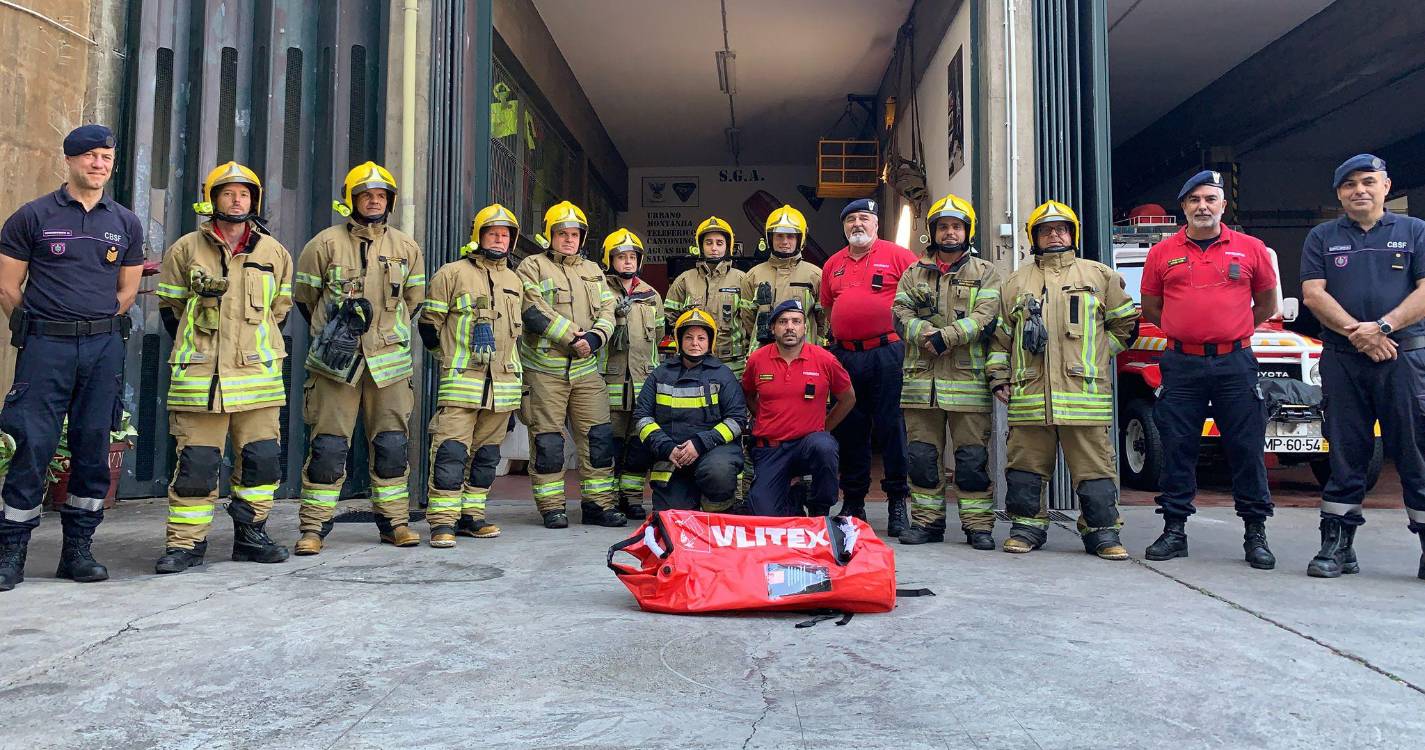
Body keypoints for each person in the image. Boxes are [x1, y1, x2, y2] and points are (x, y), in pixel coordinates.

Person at [0, 124, 144, 591]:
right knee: (31, 445)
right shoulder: (33, 216)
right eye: (90, 157)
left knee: (91, 447)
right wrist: (44, 325)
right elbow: (7, 286)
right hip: (46, 348)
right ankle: (11, 554)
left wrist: (94, 324)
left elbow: (127, 291)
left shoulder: (124, 222)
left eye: (106, 157)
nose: (98, 164)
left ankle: (78, 552)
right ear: (70, 160)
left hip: (102, 349)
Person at [152, 162, 294, 573]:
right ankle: (185, 546)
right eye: (228, 193)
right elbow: (171, 309)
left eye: (244, 194)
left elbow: (279, 311)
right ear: (212, 199)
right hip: (200, 380)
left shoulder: (274, 253)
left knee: (261, 461)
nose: (237, 200)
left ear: (255, 200)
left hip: (258, 378)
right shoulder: (185, 249)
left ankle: (251, 537)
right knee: (196, 465)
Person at [1140, 170, 1278, 569]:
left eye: (1210, 199)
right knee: (1178, 446)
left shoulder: (1251, 249)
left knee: (1245, 447)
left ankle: (1256, 533)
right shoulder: (1161, 253)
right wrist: (1189, 332)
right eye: (1194, 199)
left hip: (1236, 363)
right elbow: (1152, 308)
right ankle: (1174, 530)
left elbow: (1267, 304)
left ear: (1223, 205)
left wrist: (1233, 332)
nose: (1203, 206)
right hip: (1182, 364)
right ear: (1183, 207)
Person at [986, 200, 1139, 559]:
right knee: (1024, 467)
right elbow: (1000, 338)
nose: (1054, 235)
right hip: (1029, 396)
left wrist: (1100, 356)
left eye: (1061, 229)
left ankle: (1102, 533)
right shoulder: (1016, 283)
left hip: (1084, 397)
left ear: (1073, 234)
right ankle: (1027, 528)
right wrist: (998, 377)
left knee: (1095, 470)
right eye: (1045, 230)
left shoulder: (1099, 276)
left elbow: (1125, 326)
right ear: (1033, 237)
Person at [1300, 154, 1425, 580]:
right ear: (1339, 193)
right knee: (1346, 453)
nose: (1360, 190)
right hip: (1344, 360)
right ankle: (1338, 547)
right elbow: (1313, 294)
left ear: (1386, 187)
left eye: (1368, 181)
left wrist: (1384, 327)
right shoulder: (1322, 236)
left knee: (1415, 452)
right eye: (1350, 184)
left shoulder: (1415, 231)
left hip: (1404, 358)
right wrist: (1361, 333)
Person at [291, 162, 425, 554]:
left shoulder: (406, 247)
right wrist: (337, 336)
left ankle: (395, 523)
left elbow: (412, 304)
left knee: (391, 445)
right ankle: (313, 528)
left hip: (389, 366)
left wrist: (383, 334)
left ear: (390, 201)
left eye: (381, 195)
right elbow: (305, 301)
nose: (373, 201)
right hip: (336, 365)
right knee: (328, 447)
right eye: (366, 194)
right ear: (352, 199)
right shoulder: (323, 244)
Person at [892, 194, 1002, 547]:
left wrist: (948, 337)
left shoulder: (985, 272)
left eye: (956, 226)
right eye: (943, 226)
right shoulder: (913, 273)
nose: (950, 232)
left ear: (966, 231)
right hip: (920, 384)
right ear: (933, 231)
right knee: (922, 459)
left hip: (968, 385)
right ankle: (927, 524)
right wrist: (926, 335)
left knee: (972, 460)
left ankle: (978, 527)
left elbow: (987, 318)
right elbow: (899, 314)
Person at [417, 204, 523, 547]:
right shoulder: (451, 273)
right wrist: (450, 360)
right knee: (450, 452)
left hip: (503, 387)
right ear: (478, 236)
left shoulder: (515, 280)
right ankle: (442, 523)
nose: (499, 239)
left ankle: (471, 516)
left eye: (505, 234)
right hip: (462, 383)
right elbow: (428, 326)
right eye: (492, 233)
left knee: (487, 456)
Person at [516, 201, 625, 528]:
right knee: (548, 441)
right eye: (562, 233)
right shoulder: (531, 266)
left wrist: (593, 339)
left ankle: (598, 505)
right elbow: (530, 308)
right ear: (550, 235)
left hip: (586, 370)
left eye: (574, 234)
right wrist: (570, 336)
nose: (568, 239)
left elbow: (609, 309)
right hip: (545, 370)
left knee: (599, 438)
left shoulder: (593, 271)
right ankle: (552, 507)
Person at [821, 198, 917, 535]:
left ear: (877, 224)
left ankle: (896, 505)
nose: (857, 225)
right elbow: (829, 307)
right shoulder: (833, 263)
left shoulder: (899, 256)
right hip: (846, 357)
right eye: (851, 220)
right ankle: (854, 501)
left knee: (891, 429)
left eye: (864, 218)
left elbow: (920, 299)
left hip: (887, 353)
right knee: (851, 429)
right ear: (844, 227)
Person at [741, 299, 856, 517]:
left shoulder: (825, 359)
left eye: (796, 321)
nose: (790, 327)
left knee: (825, 447)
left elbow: (848, 398)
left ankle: (819, 508)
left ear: (805, 327)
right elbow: (746, 394)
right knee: (762, 513)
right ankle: (793, 497)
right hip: (771, 449)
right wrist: (764, 417)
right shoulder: (757, 359)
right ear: (773, 328)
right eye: (783, 322)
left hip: (808, 445)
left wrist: (824, 428)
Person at [633, 309, 746, 511]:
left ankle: (717, 507)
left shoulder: (723, 374)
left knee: (717, 472)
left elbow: (737, 420)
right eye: (689, 337)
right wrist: (667, 448)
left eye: (701, 338)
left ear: (709, 342)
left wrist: (701, 443)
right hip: (672, 456)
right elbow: (642, 418)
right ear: (679, 340)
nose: (695, 343)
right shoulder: (661, 374)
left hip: (713, 451)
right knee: (672, 519)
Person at [599, 228, 663, 519]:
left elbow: (660, 333)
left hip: (643, 381)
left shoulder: (651, 295)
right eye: (621, 257)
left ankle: (633, 498)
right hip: (609, 381)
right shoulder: (599, 290)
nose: (627, 262)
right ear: (609, 259)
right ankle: (608, 500)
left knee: (638, 445)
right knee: (610, 444)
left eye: (632, 257)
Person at [664, 216, 750, 377]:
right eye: (709, 242)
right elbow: (669, 316)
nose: (714, 248)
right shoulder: (685, 280)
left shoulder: (742, 280)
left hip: (732, 363)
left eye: (719, 243)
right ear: (701, 246)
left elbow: (750, 320)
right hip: (693, 361)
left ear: (728, 246)